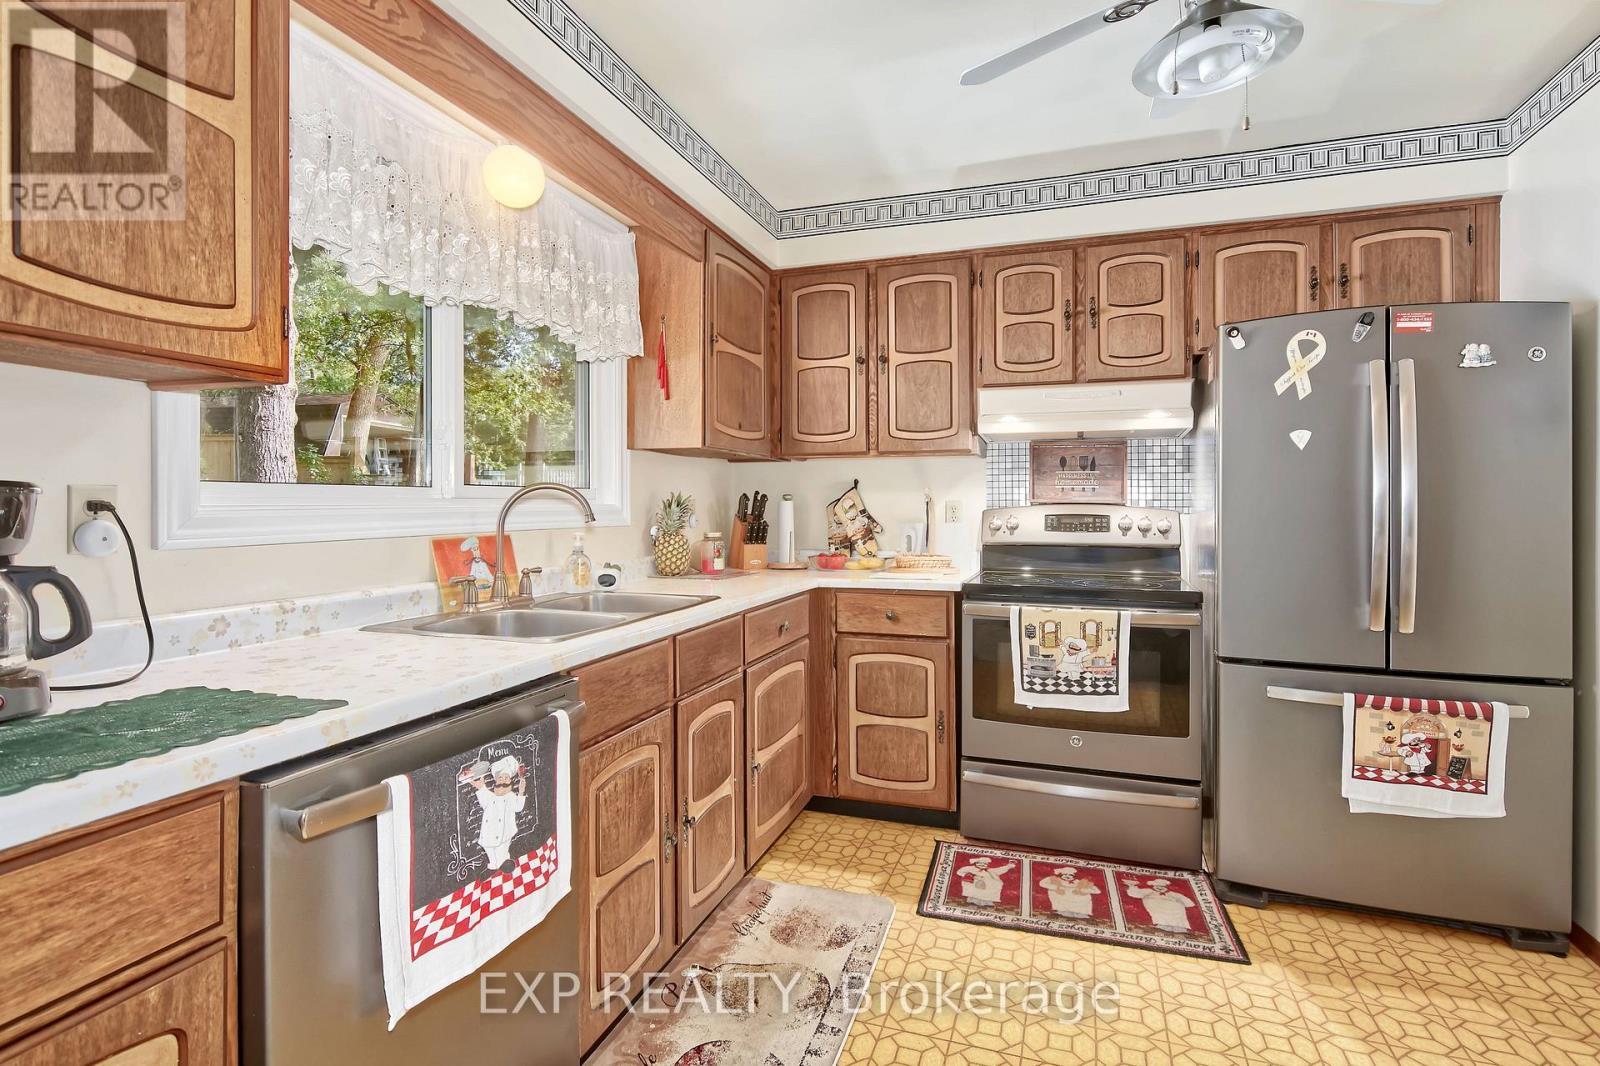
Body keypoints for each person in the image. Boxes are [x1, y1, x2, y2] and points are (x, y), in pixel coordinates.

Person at [460, 754, 526, 871]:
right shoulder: (491, 796)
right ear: (496, 781)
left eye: (506, 778)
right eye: (500, 778)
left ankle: (504, 864)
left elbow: (518, 807)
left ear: (510, 781)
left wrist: (521, 792)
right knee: (490, 852)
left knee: (502, 850)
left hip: (505, 833)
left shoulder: (510, 796)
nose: (503, 780)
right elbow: (485, 799)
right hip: (488, 833)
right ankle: (494, 865)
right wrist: (481, 788)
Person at [1125, 878, 1194, 933]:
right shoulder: (1149, 891)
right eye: (1157, 886)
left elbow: (1187, 901)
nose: (1160, 888)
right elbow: (1136, 893)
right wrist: (1131, 886)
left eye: (1161, 886)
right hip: (1157, 907)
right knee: (1160, 913)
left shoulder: (1172, 893)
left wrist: (1183, 902)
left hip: (1175, 909)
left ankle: (1179, 928)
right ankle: (1163, 925)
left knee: (1178, 911)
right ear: (1154, 886)